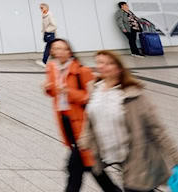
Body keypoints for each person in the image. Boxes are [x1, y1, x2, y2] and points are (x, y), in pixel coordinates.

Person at [79, 50, 178, 192]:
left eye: (109, 63)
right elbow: (91, 117)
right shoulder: (96, 89)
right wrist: (84, 139)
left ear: (119, 68)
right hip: (112, 152)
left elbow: (157, 129)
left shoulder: (133, 94)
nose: (103, 66)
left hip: (138, 155)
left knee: (134, 188)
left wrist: (177, 161)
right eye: (100, 62)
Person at [43, 39, 121, 192]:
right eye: (55, 49)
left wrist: (69, 92)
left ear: (69, 51)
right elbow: (54, 92)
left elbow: (90, 98)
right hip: (65, 120)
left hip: (82, 122)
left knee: (78, 163)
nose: (57, 51)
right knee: (87, 163)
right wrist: (48, 89)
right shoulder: (52, 68)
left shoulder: (82, 71)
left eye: (61, 48)